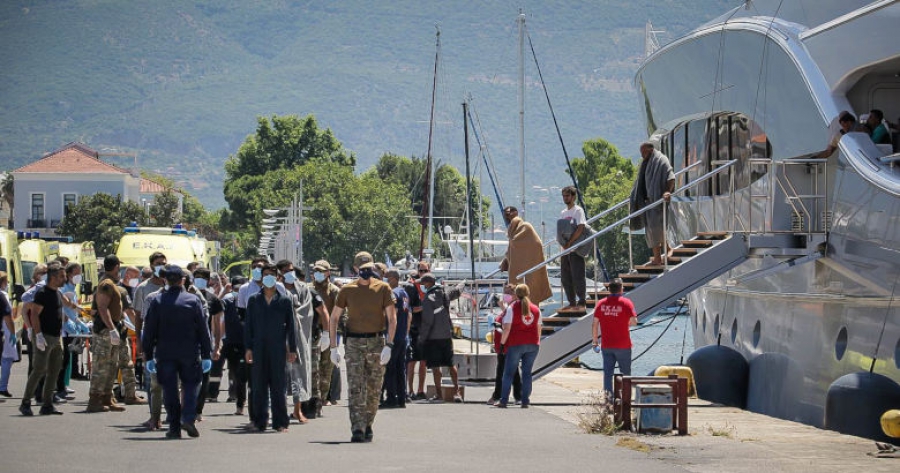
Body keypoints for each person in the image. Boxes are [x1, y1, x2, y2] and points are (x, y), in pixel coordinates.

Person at [328, 251, 397, 443]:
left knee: (374, 388)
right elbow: (334, 318)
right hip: (354, 343)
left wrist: (389, 344)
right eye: (363, 268)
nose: (366, 271)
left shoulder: (383, 288)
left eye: (369, 268)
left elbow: (392, 318)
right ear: (356, 269)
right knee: (356, 387)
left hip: (376, 342)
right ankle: (357, 427)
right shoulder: (347, 290)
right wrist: (334, 347)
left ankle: (368, 424)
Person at [142, 264, 213, 439]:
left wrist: (148, 355)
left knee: (169, 390)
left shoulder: (158, 301)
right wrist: (206, 354)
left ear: (165, 280)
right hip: (189, 352)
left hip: (165, 353)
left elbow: (149, 330)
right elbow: (203, 330)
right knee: (190, 386)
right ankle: (188, 417)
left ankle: (174, 427)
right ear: (183, 280)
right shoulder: (193, 300)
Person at [244, 263, 298, 433]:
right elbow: (248, 327)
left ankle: (280, 422)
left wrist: (292, 349)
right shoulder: (253, 300)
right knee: (258, 386)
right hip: (258, 348)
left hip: (278, 348)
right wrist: (248, 348)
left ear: (277, 278)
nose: (269, 278)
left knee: (278, 386)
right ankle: (260, 421)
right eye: (265, 274)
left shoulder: (284, 300)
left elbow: (291, 327)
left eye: (272, 275)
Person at [278, 260, 329, 423]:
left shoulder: (305, 290)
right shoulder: (276, 291)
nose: (289, 273)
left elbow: (308, 312)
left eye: (291, 270)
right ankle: (278, 410)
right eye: (285, 271)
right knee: (278, 375)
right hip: (278, 338)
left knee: (301, 373)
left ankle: (299, 409)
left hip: (301, 337)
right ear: (279, 274)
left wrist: (327, 334)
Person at [19, 262, 67, 416]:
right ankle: (26, 402)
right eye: (61, 276)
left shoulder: (57, 293)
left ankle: (47, 404)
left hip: (55, 337)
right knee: (39, 369)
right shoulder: (42, 293)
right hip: (44, 336)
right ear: (53, 278)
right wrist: (38, 335)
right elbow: (34, 314)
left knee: (54, 370)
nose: (64, 278)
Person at [87, 255, 132, 413]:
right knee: (101, 365)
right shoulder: (106, 284)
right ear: (116, 267)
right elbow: (102, 308)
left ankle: (107, 397)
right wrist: (111, 328)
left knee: (112, 365)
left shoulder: (111, 283)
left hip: (114, 327)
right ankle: (94, 399)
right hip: (106, 330)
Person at [417, 272, 463, 403]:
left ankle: (439, 395)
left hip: (433, 337)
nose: (422, 286)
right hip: (446, 334)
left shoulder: (427, 298)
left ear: (427, 283)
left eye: (423, 284)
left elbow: (427, 321)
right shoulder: (444, 293)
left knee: (435, 366)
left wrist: (422, 338)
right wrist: (462, 284)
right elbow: (457, 290)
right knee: (450, 363)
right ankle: (457, 392)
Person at [134, 251, 167, 428]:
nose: (161, 265)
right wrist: (139, 340)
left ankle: (170, 414)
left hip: (169, 342)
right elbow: (138, 317)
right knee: (151, 380)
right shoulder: (143, 289)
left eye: (163, 263)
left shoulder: (172, 285)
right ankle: (155, 416)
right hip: (151, 340)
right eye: (157, 263)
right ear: (151, 265)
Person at [630, 141, 675, 266]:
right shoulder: (646, 162)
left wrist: (667, 191)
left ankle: (668, 249)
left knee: (657, 228)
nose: (642, 155)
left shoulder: (661, 159)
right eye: (641, 153)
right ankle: (657, 258)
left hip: (658, 201)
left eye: (644, 152)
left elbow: (671, 176)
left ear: (651, 150)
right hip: (647, 203)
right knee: (650, 230)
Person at [497, 283, 541, 409]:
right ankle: (525, 400)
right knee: (527, 373)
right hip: (533, 344)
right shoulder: (535, 309)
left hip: (516, 343)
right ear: (528, 293)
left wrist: (502, 344)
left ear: (516, 294)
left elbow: (507, 329)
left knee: (508, 373)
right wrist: (537, 342)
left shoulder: (512, 308)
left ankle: (504, 400)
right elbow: (539, 329)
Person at [591, 278, 637, 394]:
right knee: (625, 374)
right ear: (621, 289)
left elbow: (595, 324)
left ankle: (608, 399)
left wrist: (595, 342)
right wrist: (624, 323)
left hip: (607, 345)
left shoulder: (601, 304)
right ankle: (625, 399)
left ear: (608, 290)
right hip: (623, 345)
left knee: (607, 374)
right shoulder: (626, 303)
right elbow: (634, 321)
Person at [500, 206, 552, 306]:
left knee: (532, 287)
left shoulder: (526, 227)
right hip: (518, 269)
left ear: (516, 212)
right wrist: (506, 260)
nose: (507, 216)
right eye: (505, 214)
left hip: (532, 265)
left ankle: (531, 309)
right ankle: (516, 307)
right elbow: (512, 248)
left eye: (508, 213)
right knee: (516, 290)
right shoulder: (512, 231)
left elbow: (536, 245)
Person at [191, 267, 222, 419]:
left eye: (203, 277)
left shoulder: (213, 299)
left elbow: (217, 324)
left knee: (204, 378)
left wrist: (217, 346)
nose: (200, 280)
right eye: (197, 276)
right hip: (188, 343)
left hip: (205, 344)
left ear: (208, 280)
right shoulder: (186, 296)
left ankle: (198, 410)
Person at [309, 259, 338, 415]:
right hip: (311, 332)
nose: (318, 274)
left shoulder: (334, 291)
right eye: (316, 271)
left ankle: (321, 401)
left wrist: (332, 333)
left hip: (328, 332)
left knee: (326, 369)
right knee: (312, 370)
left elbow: (340, 312)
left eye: (321, 271)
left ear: (328, 273)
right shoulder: (307, 289)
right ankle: (312, 401)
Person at [488, 284, 521, 405]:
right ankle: (518, 396)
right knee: (513, 371)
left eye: (508, 293)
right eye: (504, 292)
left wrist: (502, 344)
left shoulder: (513, 308)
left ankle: (498, 396)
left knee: (502, 371)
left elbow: (509, 327)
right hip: (504, 344)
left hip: (507, 345)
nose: (505, 295)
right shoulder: (509, 308)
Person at [557, 188, 588, 312]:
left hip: (576, 249)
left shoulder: (578, 210)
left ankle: (582, 301)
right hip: (565, 251)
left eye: (568, 196)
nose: (565, 198)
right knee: (565, 278)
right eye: (564, 196)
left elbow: (580, 228)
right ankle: (571, 302)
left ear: (573, 197)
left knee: (578, 276)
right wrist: (563, 244)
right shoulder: (563, 212)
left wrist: (570, 242)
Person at [382, 269, 410, 408]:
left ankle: (392, 397)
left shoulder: (394, 293)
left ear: (393, 278)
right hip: (402, 335)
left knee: (391, 368)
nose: (386, 280)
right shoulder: (404, 293)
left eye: (387, 278)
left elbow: (392, 314)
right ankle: (402, 397)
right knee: (400, 368)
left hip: (394, 334)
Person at [221, 276, 248, 415]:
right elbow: (219, 319)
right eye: (236, 289)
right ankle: (239, 403)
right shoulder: (227, 301)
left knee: (251, 375)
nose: (239, 292)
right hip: (232, 343)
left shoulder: (252, 301)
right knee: (237, 374)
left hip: (249, 343)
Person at [406, 261, 428, 400]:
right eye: (421, 271)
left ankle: (421, 390)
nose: (423, 274)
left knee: (424, 362)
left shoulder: (431, 286)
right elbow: (409, 309)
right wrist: (424, 307)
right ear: (417, 271)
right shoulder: (411, 287)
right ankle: (410, 390)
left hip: (426, 328)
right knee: (412, 361)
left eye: (426, 271)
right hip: (414, 328)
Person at [0, 272, 17, 398]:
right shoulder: (2, 296)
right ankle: (2, 387)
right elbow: (8, 317)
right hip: (3, 331)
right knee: (6, 360)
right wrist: (12, 333)